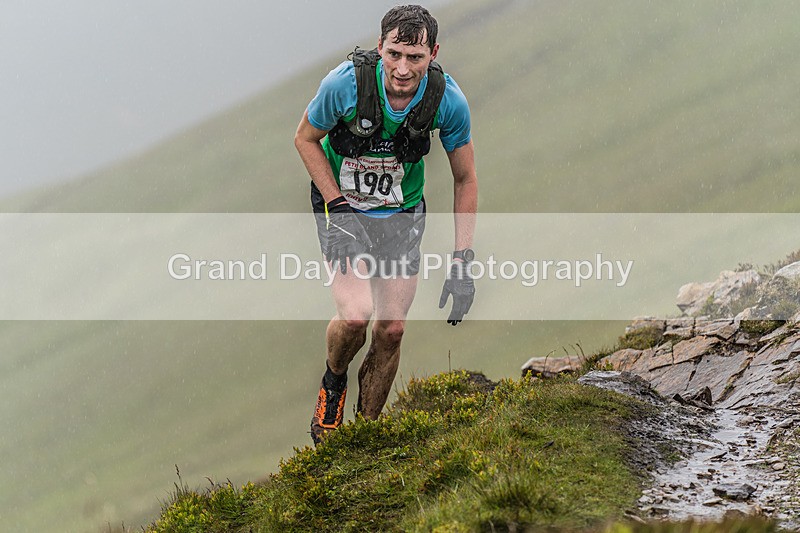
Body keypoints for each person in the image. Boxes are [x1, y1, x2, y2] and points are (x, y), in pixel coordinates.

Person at [294, 4, 478, 445]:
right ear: (380, 47)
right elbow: (304, 138)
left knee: (391, 329)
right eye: (394, 53)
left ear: (433, 53)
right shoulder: (345, 85)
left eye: (414, 57)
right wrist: (337, 205)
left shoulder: (447, 101)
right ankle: (334, 383)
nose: (402, 68)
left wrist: (462, 260)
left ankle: (365, 436)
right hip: (343, 209)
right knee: (356, 317)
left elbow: (465, 177)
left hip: (401, 213)